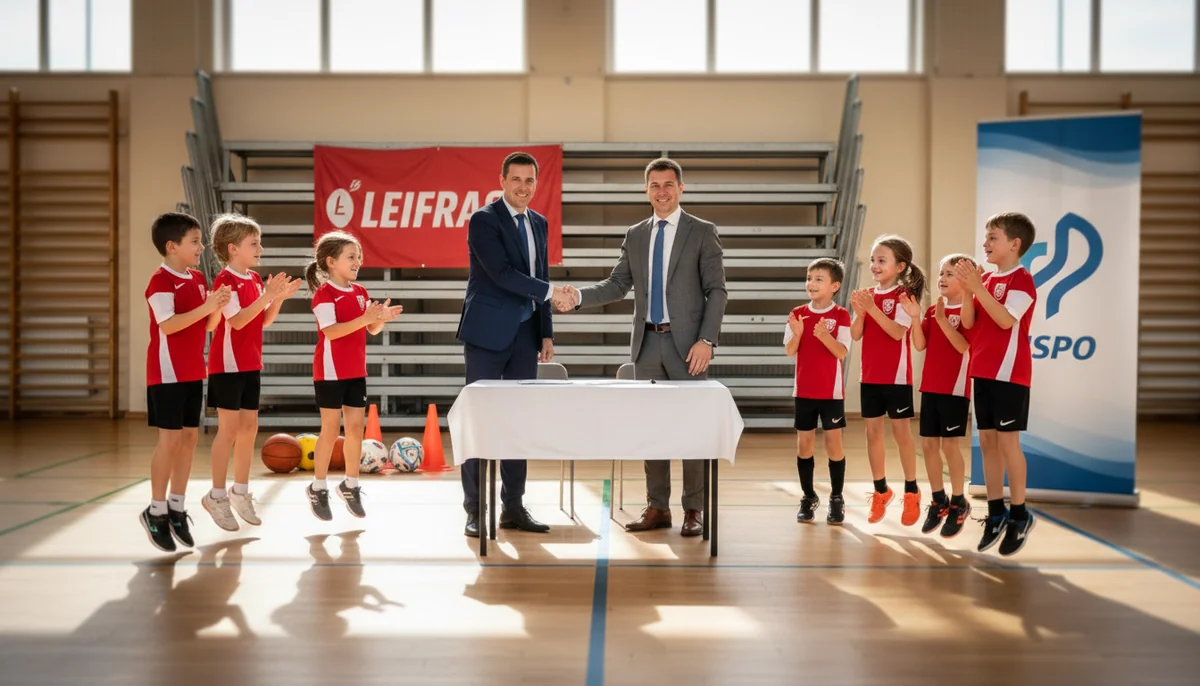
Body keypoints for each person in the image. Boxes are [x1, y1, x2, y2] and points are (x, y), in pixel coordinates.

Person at [561, 157, 727, 537]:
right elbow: (617, 284)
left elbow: (716, 290)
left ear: (681, 188)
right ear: (646, 190)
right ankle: (658, 507)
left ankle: (693, 508)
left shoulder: (701, 231)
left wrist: (707, 340)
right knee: (653, 429)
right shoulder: (636, 234)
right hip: (647, 343)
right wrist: (579, 297)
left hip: (689, 347)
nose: (662, 192)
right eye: (654, 185)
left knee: (692, 429)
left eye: (669, 184)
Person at [456, 151, 571, 538]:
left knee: (518, 422)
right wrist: (554, 292)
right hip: (487, 335)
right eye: (516, 180)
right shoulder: (483, 220)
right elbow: (503, 274)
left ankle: (513, 507)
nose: (523, 187)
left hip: (525, 336)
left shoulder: (539, 222)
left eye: (530, 181)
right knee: (480, 422)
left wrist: (546, 331)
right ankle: (474, 509)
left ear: (537, 184)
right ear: (502, 181)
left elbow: (541, 276)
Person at [201, 213, 299, 532]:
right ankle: (216, 495)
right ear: (233, 249)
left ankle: (239, 492)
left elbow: (263, 320)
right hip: (227, 365)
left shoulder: (255, 281)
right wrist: (268, 296)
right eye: (253, 243)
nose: (260, 248)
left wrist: (277, 299)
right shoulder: (225, 282)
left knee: (249, 429)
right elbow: (239, 320)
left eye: (259, 242)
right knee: (228, 431)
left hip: (250, 364)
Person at [142, 212, 231, 552]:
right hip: (166, 372)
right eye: (194, 241)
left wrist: (217, 307)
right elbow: (169, 325)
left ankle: (177, 507)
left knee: (190, 438)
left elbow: (205, 326)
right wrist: (207, 305)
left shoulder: (196, 279)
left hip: (193, 369)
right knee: (170, 442)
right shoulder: (160, 282)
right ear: (171, 246)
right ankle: (156, 509)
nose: (201, 247)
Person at [303, 231, 402, 522]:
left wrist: (380, 319)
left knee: (356, 429)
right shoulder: (324, 294)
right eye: (351, 256)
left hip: (356, 370)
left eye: (358, 256)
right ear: (331, 262)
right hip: (330, 371)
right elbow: (331, 331)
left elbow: (370, 330)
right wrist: (366, 318)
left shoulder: (360, 292)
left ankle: (350, 484)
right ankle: (318, 487)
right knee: (331, 430)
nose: (357, 261)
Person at [955, 212, 1038, 556]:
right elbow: (970, 322)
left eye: (993, 238)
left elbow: (1005, 320)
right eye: (986, 237)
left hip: (1010, 372)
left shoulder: (1023, 280)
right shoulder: (985, 280)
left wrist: (977, 287)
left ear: (1014, 244)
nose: (985, 244)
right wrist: (969, 291)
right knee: (986, 441)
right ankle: (995, 512)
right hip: (983, 370)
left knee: (1008, 444)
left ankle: (1019, 514)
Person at [849, 235, 926, 527]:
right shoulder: (867, 295)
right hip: (869, 376)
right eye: (872, 260)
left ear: (900, 266)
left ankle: (911, 489)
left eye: (881, 260)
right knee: (872, 434)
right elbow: (857, 335)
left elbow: (896, 333)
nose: (874, 265)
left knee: (902, 435)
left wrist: (871, 309)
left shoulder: (904, 296)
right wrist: (860, 313)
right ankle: (881, 490)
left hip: (896, 378)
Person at [902, 253, 974, 538]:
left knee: (949, 447)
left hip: (955, 388)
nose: (942, 278)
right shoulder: (934, 310)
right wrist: (916, 317)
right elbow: (920, 345)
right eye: (941, 273)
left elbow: (962, 347)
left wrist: (944, 320)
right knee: (929, 446)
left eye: (949, 274)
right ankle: (939, 499)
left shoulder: (970, 309)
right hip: (930, 386)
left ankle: (959, 501)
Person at [783, 258, 852, 525]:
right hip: (804, 392)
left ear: (834, 286)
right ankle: (808, 496)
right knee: (804, 446)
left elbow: (842, 352)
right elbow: (790, 350)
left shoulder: (841, 315)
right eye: (809, 278)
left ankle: (836, 497)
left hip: (831, 394)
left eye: (818, 279)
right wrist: (799, 333)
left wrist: (825, 336)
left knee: (834, 446)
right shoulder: (798, 313)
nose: (811, 283)